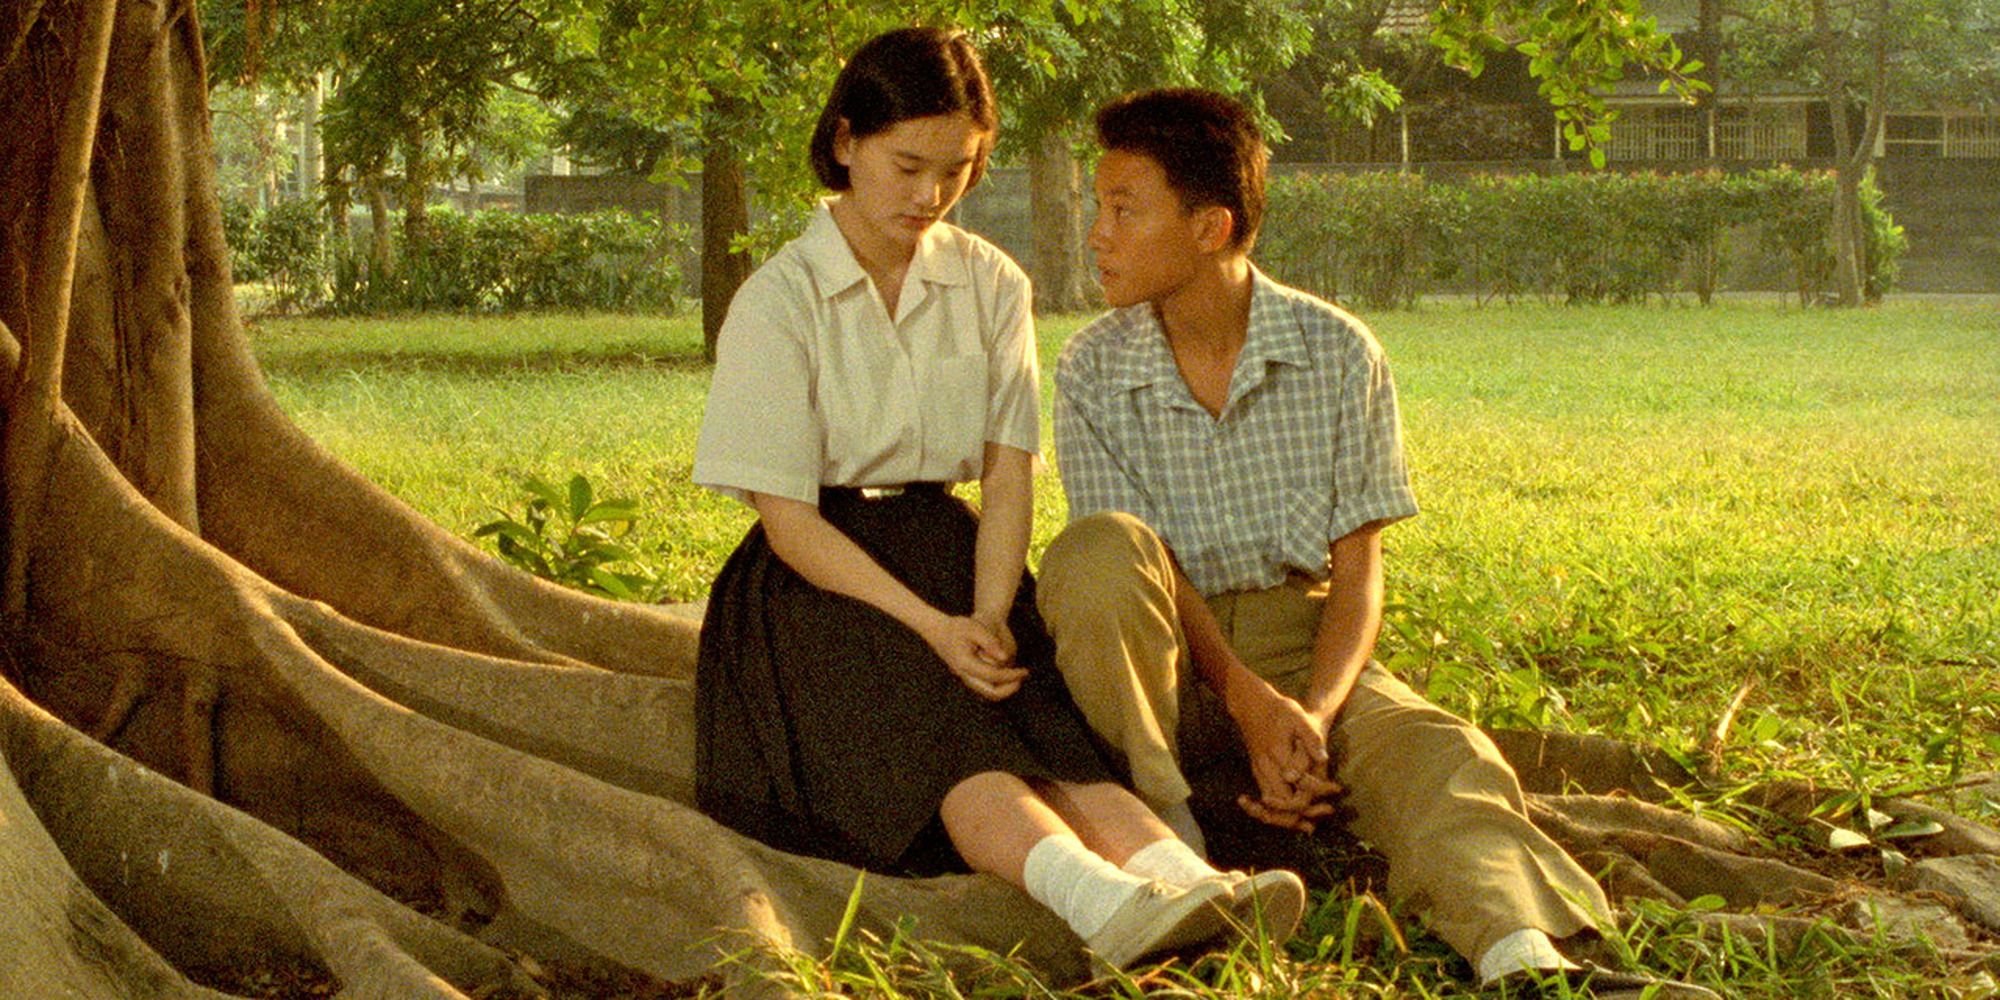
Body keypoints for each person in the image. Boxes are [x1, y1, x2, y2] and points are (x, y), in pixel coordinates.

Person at [1037, 87, 1720, 999]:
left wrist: (1312, 717)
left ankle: (1526, 959)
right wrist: (1242, 702)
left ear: (1210, 228)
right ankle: (1176, 860)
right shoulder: (1092, 367)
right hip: (1157, 660)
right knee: (1095, 552)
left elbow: (1359, 572)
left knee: (1442, 752)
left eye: (1123, 209)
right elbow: (1137, 572)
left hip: (1300, 642)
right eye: (1096, 208)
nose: (1097, 234)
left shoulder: (1338, 352)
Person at [690, 32, 1305, 971]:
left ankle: (1187, 881)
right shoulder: (780, 299)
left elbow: (1008, 469)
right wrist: (932, 628)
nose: (928, 196)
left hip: (951, 545)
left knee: (1042, 718)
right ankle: (1100, 901)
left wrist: (982, 610)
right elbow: (788, 519)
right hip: (817, 578)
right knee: (948, 725)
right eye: (907, 165)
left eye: (957, 171)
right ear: (846, 141)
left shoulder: (989, 282)